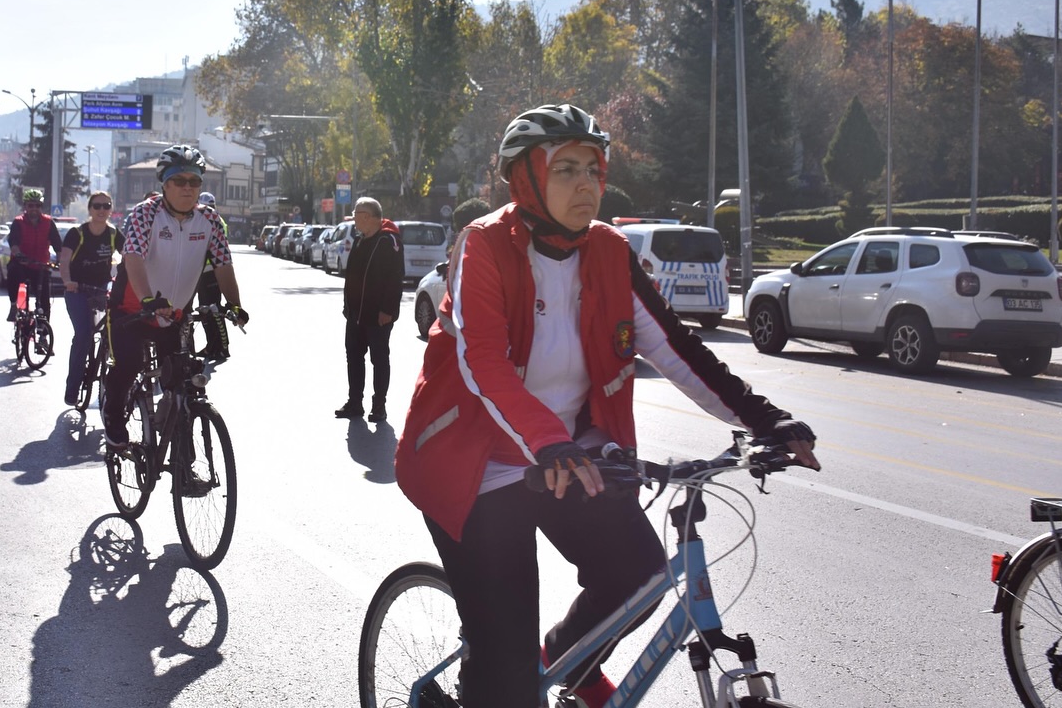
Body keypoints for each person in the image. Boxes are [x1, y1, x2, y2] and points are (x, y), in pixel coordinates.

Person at [393, 104, 820, 708]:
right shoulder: (484, 247)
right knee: (505, 664)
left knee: (641, 577)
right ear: (526, 178)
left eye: (594, 170)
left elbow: (678, 348)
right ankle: (503, 681)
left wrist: (764, 418)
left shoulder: (610, 252)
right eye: (565, 169)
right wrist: (548, 441)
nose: (586, 185)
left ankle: (567, 660)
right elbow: (482, 362)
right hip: (475, 466)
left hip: (568, 457)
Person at [103, 145, 249, 449]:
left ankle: (185, 462)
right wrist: (146, 299)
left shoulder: (209, 220)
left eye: (194, 181)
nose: (187, 187)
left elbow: (223, 266)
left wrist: (234, 305)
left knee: (182, 384)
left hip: (174, 317)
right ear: (164, 184)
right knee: (127, 366)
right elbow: (133, 259)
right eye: (179, 181)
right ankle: (113, 414)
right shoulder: (146, 213)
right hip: (132, 310)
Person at [336, 197, 404, 422]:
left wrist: (387, 310)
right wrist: (347, 306)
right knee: (353, 357)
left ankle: (379, 406)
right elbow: (352, 277)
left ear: (369, 217)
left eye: (357, 214)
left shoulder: (388, 242)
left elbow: (395, 278)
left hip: (378, 315)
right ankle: (355, 402)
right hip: (355, 314)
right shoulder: (359, 240)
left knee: (379, 359)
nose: (354, 219)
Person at [58, 191, 119, 406]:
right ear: (90, 209)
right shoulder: (77, 233)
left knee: (117, 330)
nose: (102, 210)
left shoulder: (113, 234)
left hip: (102, 289)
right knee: (83, 335)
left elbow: (131, 257)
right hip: (77, 290)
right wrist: (68, 281)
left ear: (111, 209)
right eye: (97, 206)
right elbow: (64, 261)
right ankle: (72, 389)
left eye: (106, 206)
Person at [5, 189, 61, 321]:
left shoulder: (48, 222)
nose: (34, 209)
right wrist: (18, 255)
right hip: (22, 264)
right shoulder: (18, 222)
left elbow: (58, 244)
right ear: (25, 206)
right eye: (31, 205)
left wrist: (60, 260)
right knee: (13, 272)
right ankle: (14, 305)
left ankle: (43, 332)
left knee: (44, 302)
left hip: (40, 265)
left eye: (38, 205)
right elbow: (14, 243)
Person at [194, 190, 231, 360]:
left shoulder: (214, 221)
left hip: (211, 272)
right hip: (201, 272)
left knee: (213, 311)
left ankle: (220, 347)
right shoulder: (205, 220)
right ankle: (213, 346)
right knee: (207, 312)